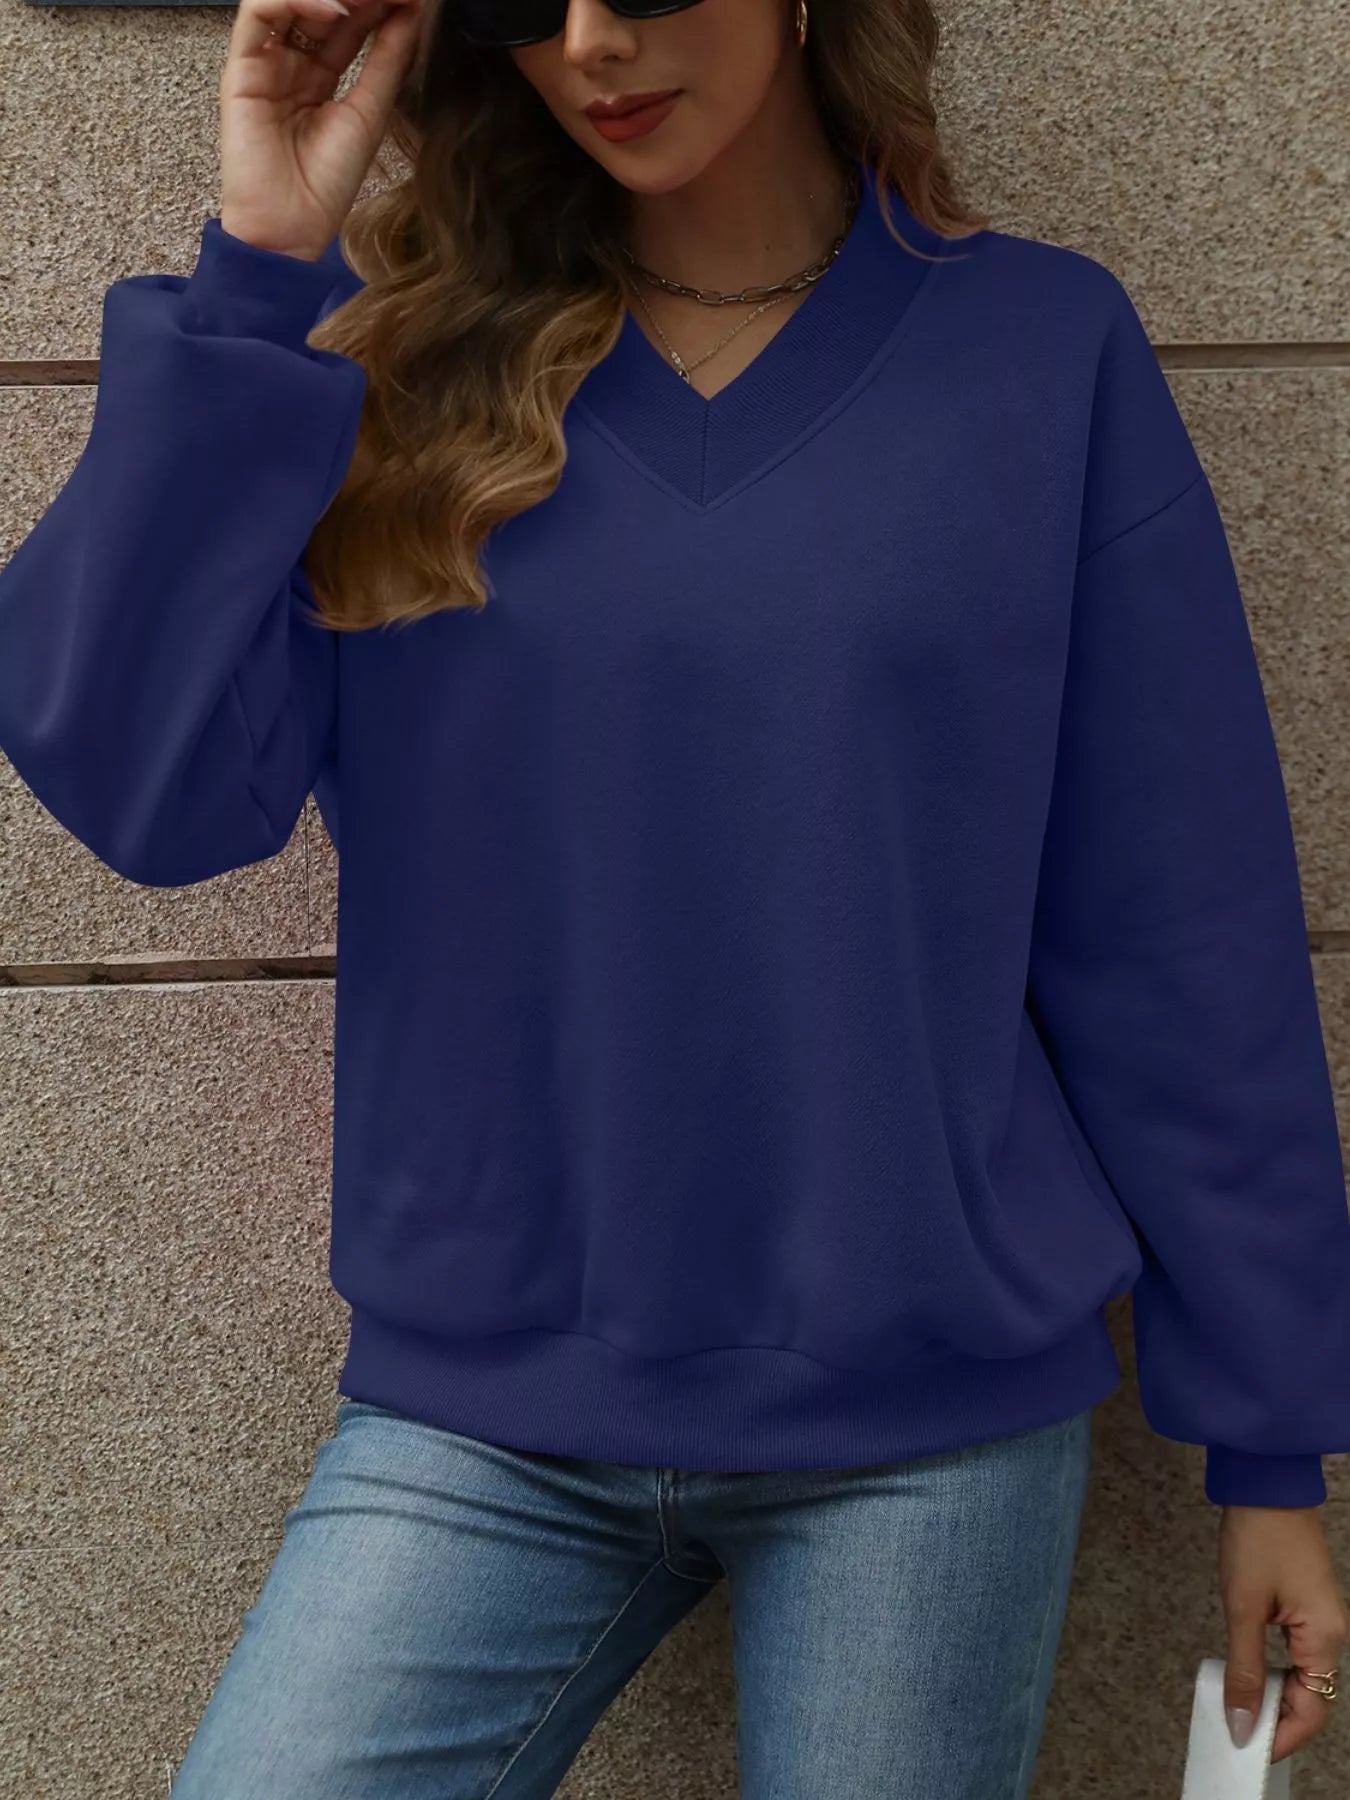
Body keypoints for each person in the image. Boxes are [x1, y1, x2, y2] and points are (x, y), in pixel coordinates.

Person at [1, 0, 1347, 1788]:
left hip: (923, 1434)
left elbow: (1176, 928)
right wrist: (256, 273)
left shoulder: (1036, 348)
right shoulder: (388, 365)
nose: (590, 45)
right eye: (521, 0)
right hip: (479, 1419)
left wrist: (1269, 1453)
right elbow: (144, 790)